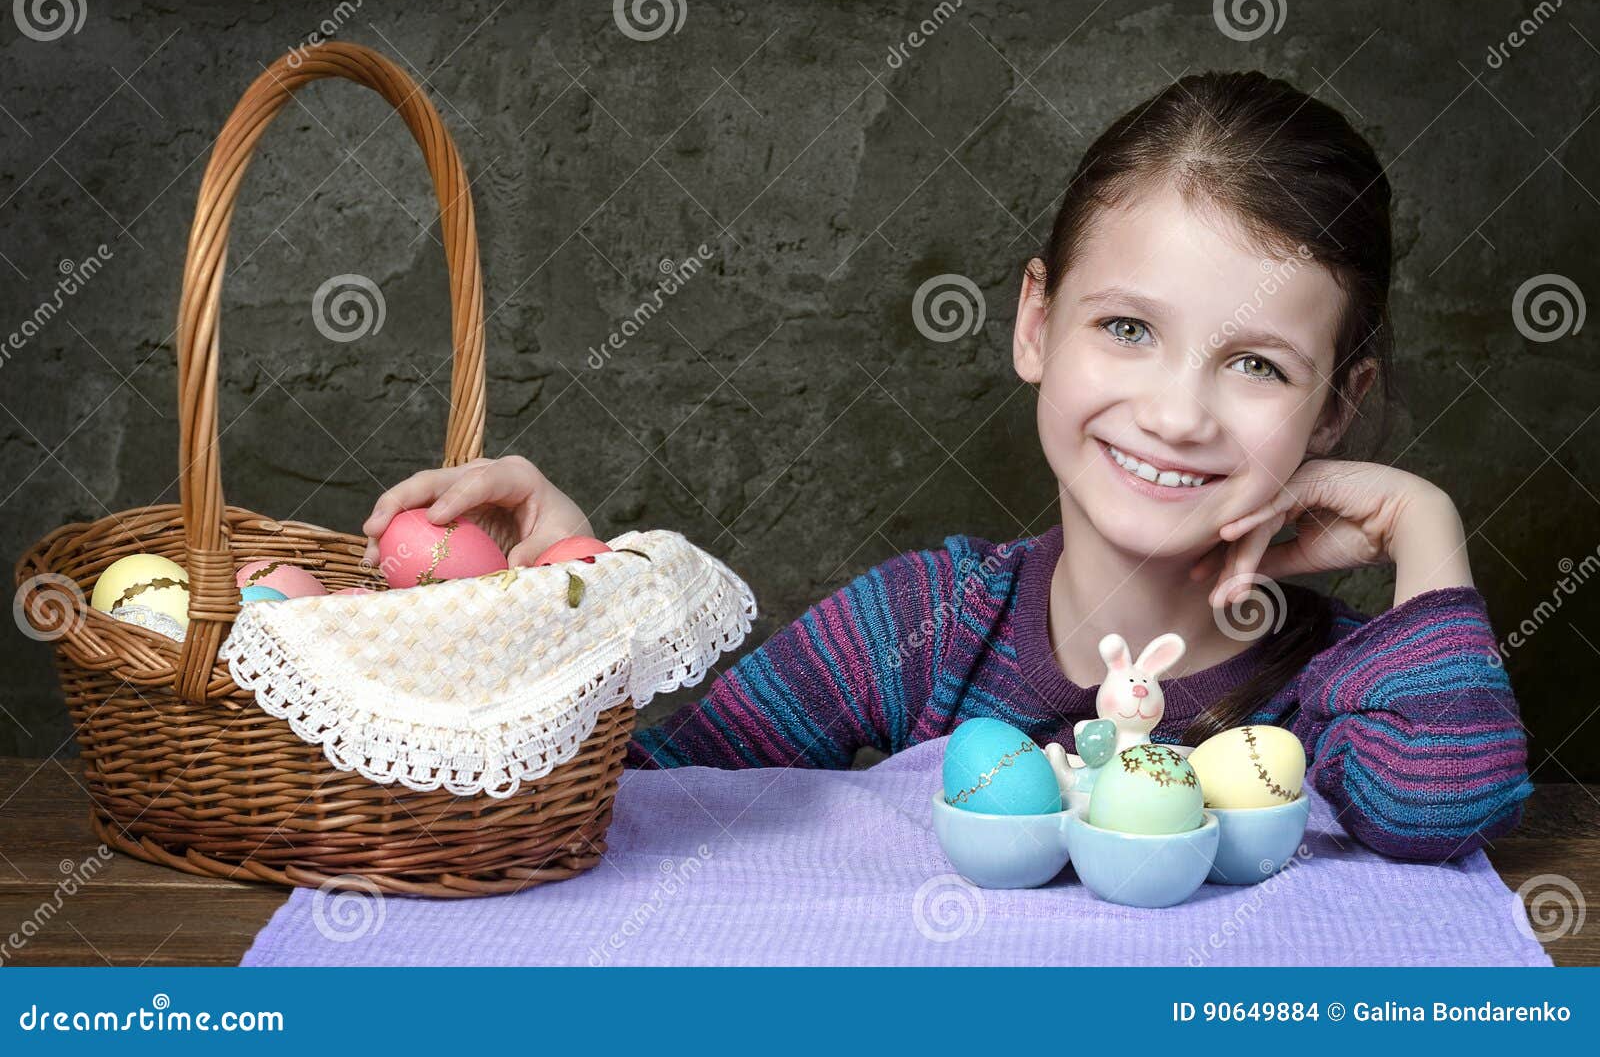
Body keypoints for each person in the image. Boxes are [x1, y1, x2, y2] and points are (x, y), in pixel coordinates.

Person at [361, 71, 1532, 863]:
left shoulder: (1341, 686)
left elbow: (1443, 811)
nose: (1176, 414)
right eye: (1126, 329)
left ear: (1338, 406)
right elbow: (651, 796)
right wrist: (572, 587)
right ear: (1036, 322)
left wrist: (1422, 529)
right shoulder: (923, 623)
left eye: (1258, 366)